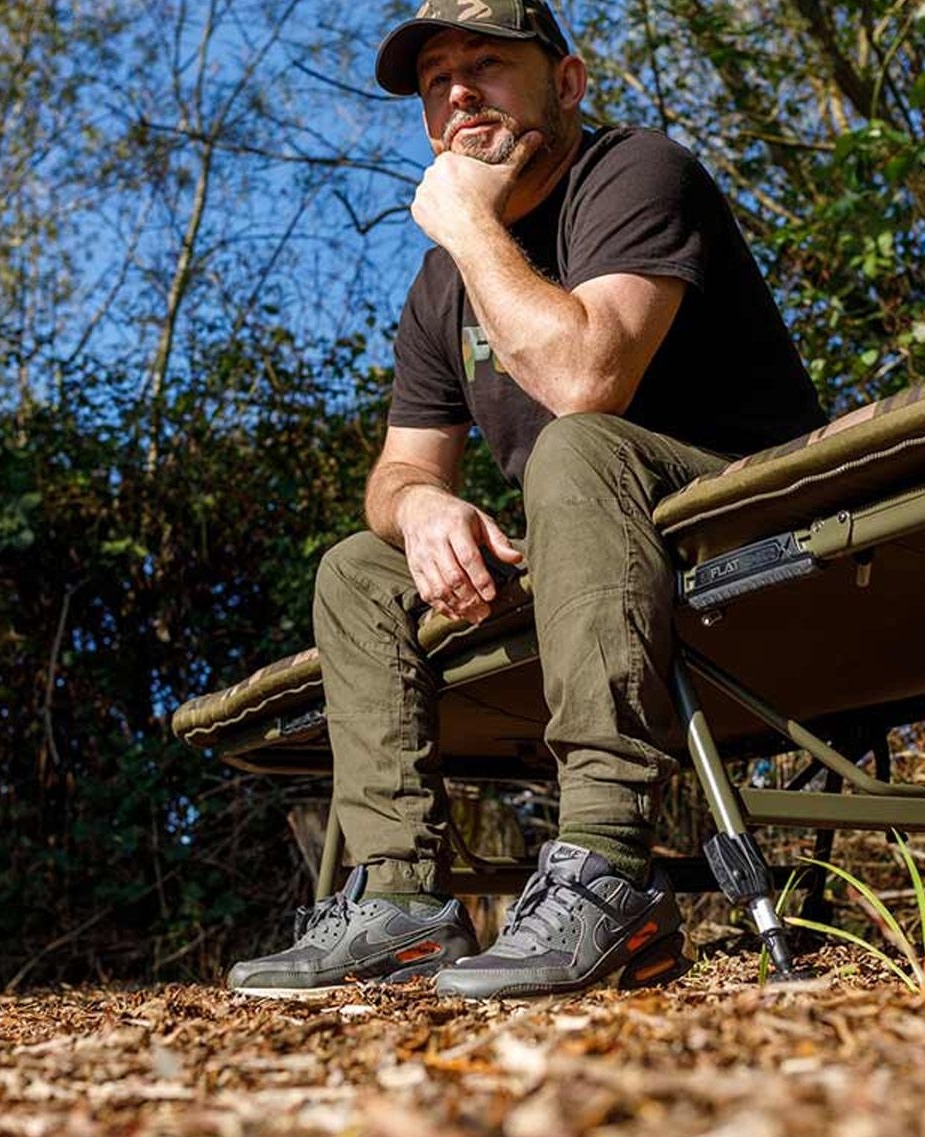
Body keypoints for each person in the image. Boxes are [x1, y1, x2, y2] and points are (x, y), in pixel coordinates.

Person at [227, 0, 822, 1000]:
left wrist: (468, 224)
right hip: (591, 556)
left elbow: (588, 379)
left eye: (488, 66)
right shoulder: (441, 285)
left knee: (574, 445)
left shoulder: (636, 172)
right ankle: (399, 900)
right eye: (437, 82)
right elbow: (399, 471)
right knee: (358, 569)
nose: (460, 94)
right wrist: (423, 510)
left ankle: (606, 865)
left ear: (569, 82)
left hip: (751, 545)